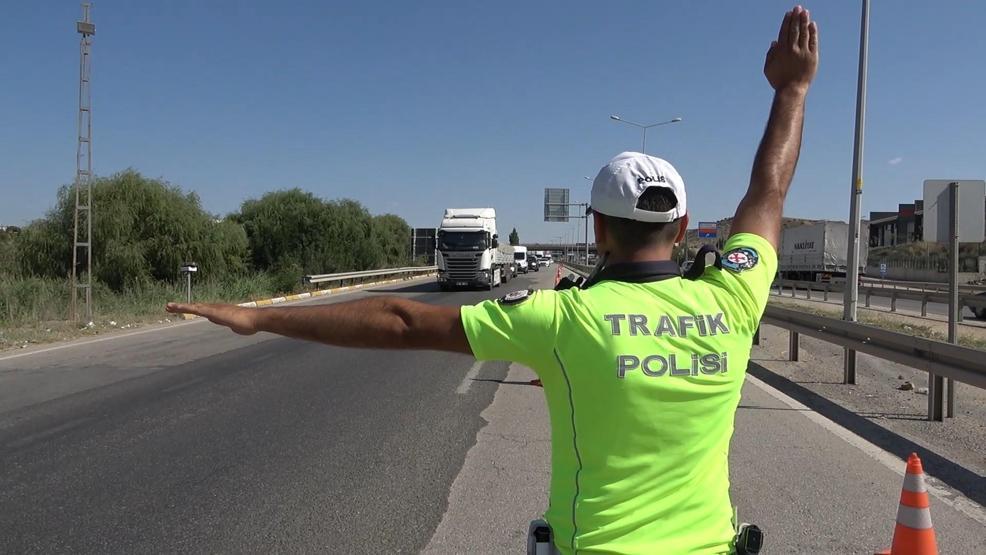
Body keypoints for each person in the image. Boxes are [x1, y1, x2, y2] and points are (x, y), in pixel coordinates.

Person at [167, 6, 818, 554]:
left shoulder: (562, 319)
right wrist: (791, 91)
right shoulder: (733, 297)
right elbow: (769, 192)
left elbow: (400, 320)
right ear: (681, 231)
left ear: (596, 231)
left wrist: (259, 316)